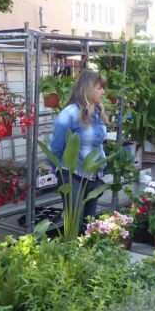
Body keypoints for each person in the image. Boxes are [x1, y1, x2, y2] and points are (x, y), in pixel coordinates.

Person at [48, 69, 109, 234]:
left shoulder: (97, 113)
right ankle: (71, 254)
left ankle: (86, 256)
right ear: (87, 89)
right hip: (73, 176)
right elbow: (55, 148)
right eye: (99, 88)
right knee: (74, 225)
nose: (103, 91)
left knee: (89, 225)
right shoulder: (68, 115)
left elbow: (98, 144)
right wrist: (59, 173)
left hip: (93, 175)